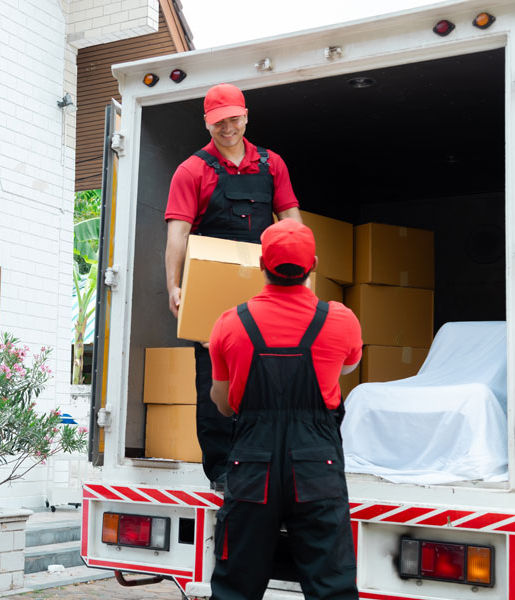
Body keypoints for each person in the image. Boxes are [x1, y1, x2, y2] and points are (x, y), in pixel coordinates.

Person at [207, 219, 361, 600]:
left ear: (262, 264)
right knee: (332, 586)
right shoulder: (341, 320)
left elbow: (223, 405)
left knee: (236, 586)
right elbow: (347, 368)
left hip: (252, 465)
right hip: (315, 464)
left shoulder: (230, 323)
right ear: (314, 264)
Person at [164, 83, 302, 484]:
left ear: (246, 116)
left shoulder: (271, 164)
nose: (227, 128)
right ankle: (222, 469)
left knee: (270, 373)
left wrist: (302, 273)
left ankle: (266, 460)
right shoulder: (192, 170)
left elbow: (291, 220)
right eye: (218, 121)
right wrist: (175, 284)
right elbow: (178, 232)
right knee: (214, 379)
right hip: (210, 289)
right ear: (208, 124)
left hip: (262, 286)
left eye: (233, 119)